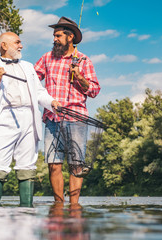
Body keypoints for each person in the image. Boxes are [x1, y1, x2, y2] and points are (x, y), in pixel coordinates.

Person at [0, 32, 60, 207]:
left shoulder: (29, 67)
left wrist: (51, 102)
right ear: (4, 45)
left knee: (27, 165)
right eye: (17, 42)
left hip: (29, 118)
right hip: (4, 119)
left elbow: (39, 92)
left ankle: (27, 212)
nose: (21, 46)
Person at [34, 17, 100, 204]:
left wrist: (79, 76)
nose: (54, 39)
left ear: (70, 37)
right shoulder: (46, 58)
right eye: (54, 36)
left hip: (76, 119)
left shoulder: (84, 60)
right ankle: (58, 205)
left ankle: (74, 206)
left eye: (58, 36)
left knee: (76, 166)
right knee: (53, 165)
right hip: (52, 119)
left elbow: (94, 90)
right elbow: (31, 78)